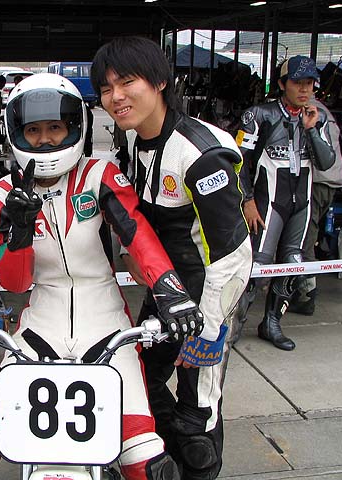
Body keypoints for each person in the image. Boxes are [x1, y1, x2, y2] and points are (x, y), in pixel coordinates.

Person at [0, 72, 205, 480]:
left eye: (55, 128)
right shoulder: (2, 193)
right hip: (39, 326)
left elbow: (138, 234)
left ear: (74, 127)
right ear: (15, 132)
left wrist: (171, 291)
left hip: (106, 323)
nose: (45, 140)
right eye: (33, 130)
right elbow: (15, 284)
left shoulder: (101, 174)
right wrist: (18, 236)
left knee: (147, 460)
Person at [90, 36, 252, 480]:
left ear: (160, 81)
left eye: (127, 82)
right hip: (165, 292)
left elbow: (235, 255)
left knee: (196, 415)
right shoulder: (133, 142)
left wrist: (210, 330)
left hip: (209, 299)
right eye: (106, 88)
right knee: (141, 382)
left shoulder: (200, 151)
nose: (116, 97)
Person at [236, 55, 335, 350]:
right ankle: (232, 327)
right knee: (257, 266)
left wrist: (312, 129)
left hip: (301, 204)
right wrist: (247, 200)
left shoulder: (318, 117)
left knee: (293, 263)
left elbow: (326, 162)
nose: (304, 89)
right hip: (266, 203)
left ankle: (271, 323)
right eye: (297, 82)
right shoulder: (258, 115)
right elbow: (236, 161)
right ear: (282, 84)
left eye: (309, 83)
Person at [289, 98, 342, 315]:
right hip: (329, 182)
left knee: (305, 237)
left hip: (316, 182)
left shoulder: (308, 111)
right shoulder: (323, 110)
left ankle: (306, 295)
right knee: (307, 236)